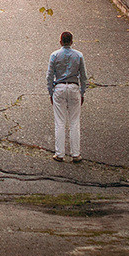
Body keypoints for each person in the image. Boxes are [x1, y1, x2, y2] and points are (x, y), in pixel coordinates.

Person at [46, 29, 87, 162]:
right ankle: (76, 154)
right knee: (74, 122)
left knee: (60, 122)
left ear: (60, 41)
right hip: (74, 87)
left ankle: (60, 153)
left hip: (59, 88)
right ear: (72, 42)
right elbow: (84, 76)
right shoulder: (79, 55)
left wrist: (51, 92)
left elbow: (49, 76)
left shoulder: (54, 55)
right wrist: (82, 92)